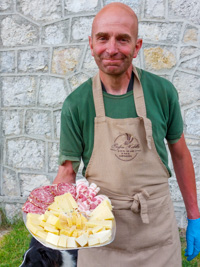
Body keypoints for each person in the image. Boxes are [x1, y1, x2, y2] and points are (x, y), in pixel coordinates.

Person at [53, 2, 200, 266]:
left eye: (123, 39)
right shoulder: (77, 104)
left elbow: (179, 153)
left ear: (137, 46)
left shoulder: (163, 93)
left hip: (157, 236)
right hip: (100, 239)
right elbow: (67, 172)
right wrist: (51, 221)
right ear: (91, 43)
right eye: (102, 38)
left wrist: (194, 217)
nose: (111, 49)